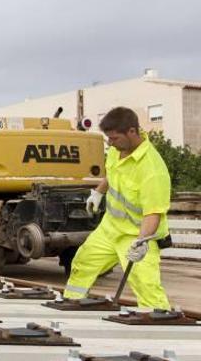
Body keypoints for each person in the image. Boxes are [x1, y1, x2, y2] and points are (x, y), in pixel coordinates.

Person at [64, 107, 172, 309]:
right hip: (109, 229)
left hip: (137, 236)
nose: (110, 144)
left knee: (145, 285)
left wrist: (141, 242)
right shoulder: (118, 151)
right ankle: (71, 303)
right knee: (82, 263)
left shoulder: (152, 170)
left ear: (132, 131)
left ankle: (160, 322)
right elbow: (113, 174)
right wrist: (98, 192)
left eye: (114, 138)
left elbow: (153, 213)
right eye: (109, 139)